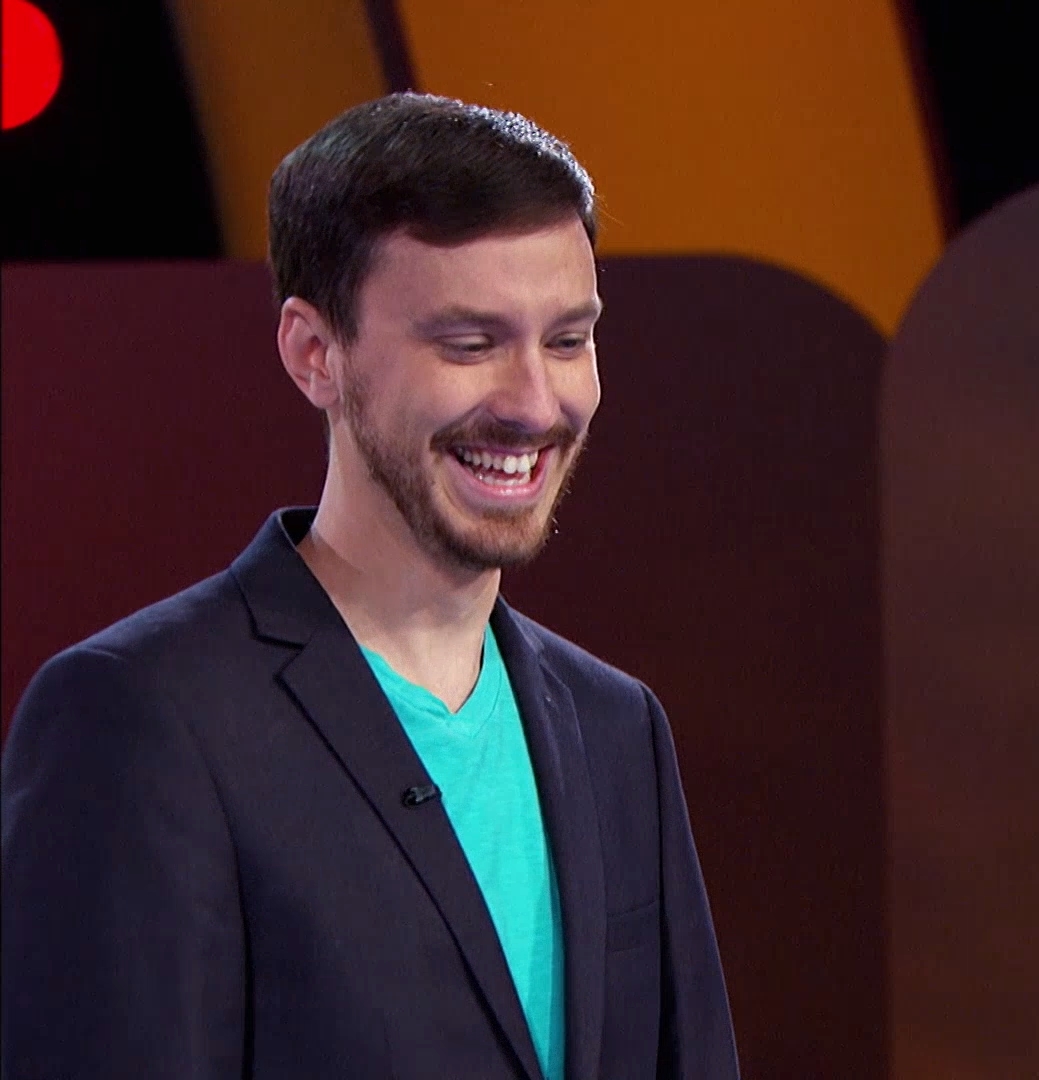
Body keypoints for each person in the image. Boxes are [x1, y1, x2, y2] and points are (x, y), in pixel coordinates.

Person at [1, 93, 739, 1078]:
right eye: (470, 344)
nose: (535, 403)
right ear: (316, 356)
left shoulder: (619, 729)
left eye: (567, 341)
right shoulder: (138, 720)